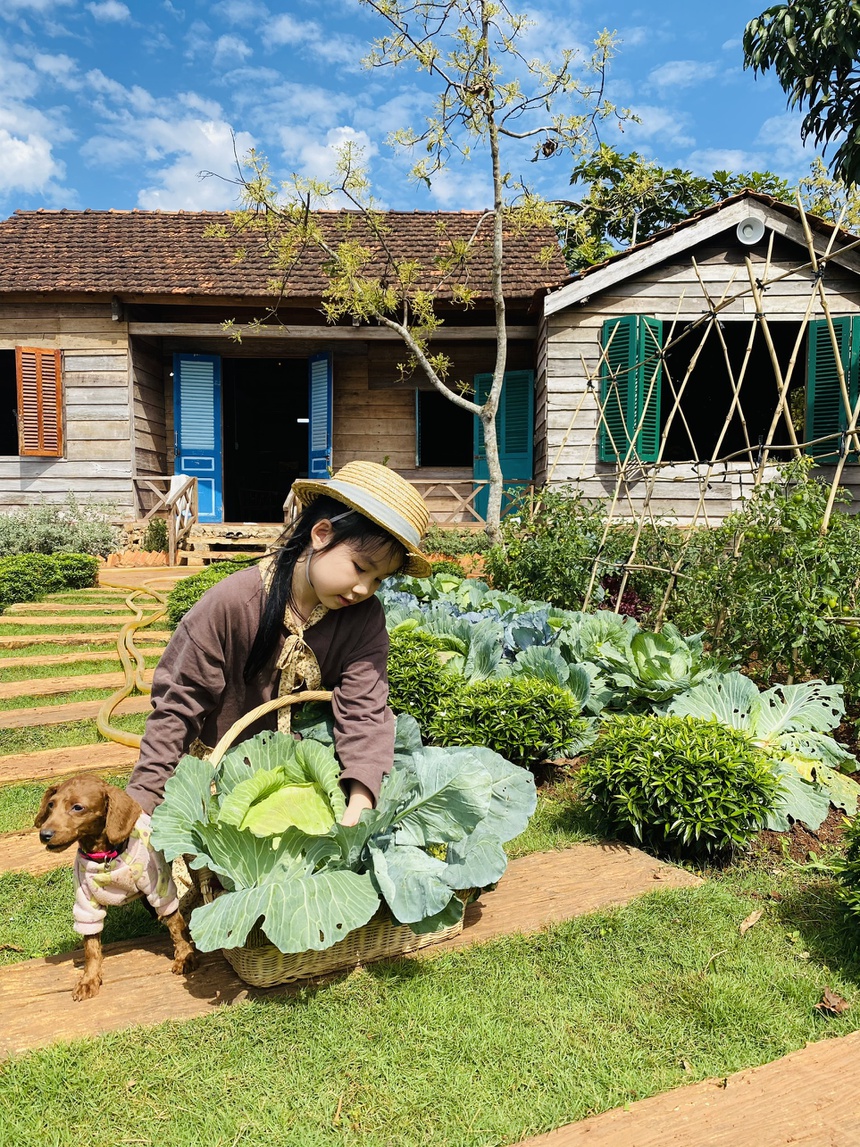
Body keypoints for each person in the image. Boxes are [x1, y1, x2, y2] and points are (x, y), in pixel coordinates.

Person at [125, 460, 431, 827]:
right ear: (321, 534)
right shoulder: (234, 602)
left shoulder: (364, 618)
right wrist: (142, 801)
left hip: (310, 778)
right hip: (220, 775)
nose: (365, 588)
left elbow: (364, 711)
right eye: (361, 568)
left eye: (379, 579)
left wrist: (360, 801)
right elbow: (178, 707)